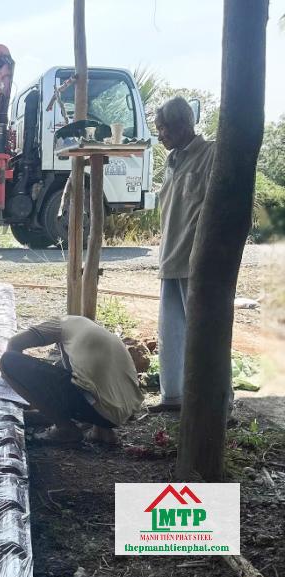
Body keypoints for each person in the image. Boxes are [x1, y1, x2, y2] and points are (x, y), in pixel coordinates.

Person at [151, 97, 216, 412]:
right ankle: (173, 397)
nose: (160, 134)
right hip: (170, 258)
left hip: (196, 262)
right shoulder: (173, 159)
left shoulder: (211, 154)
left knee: (206, 335)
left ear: (182, 125)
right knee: (171, 334)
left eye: (163, 128)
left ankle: (217, 402)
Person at [0, 316, 143, 444]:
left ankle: (65, 428)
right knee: (75, 372)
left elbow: (14, 343)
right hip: (123, 411)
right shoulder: (89, 331)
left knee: (7, 362)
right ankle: (102, 431)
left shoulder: (60, 324)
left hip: (99, 409)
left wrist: (20, 386)